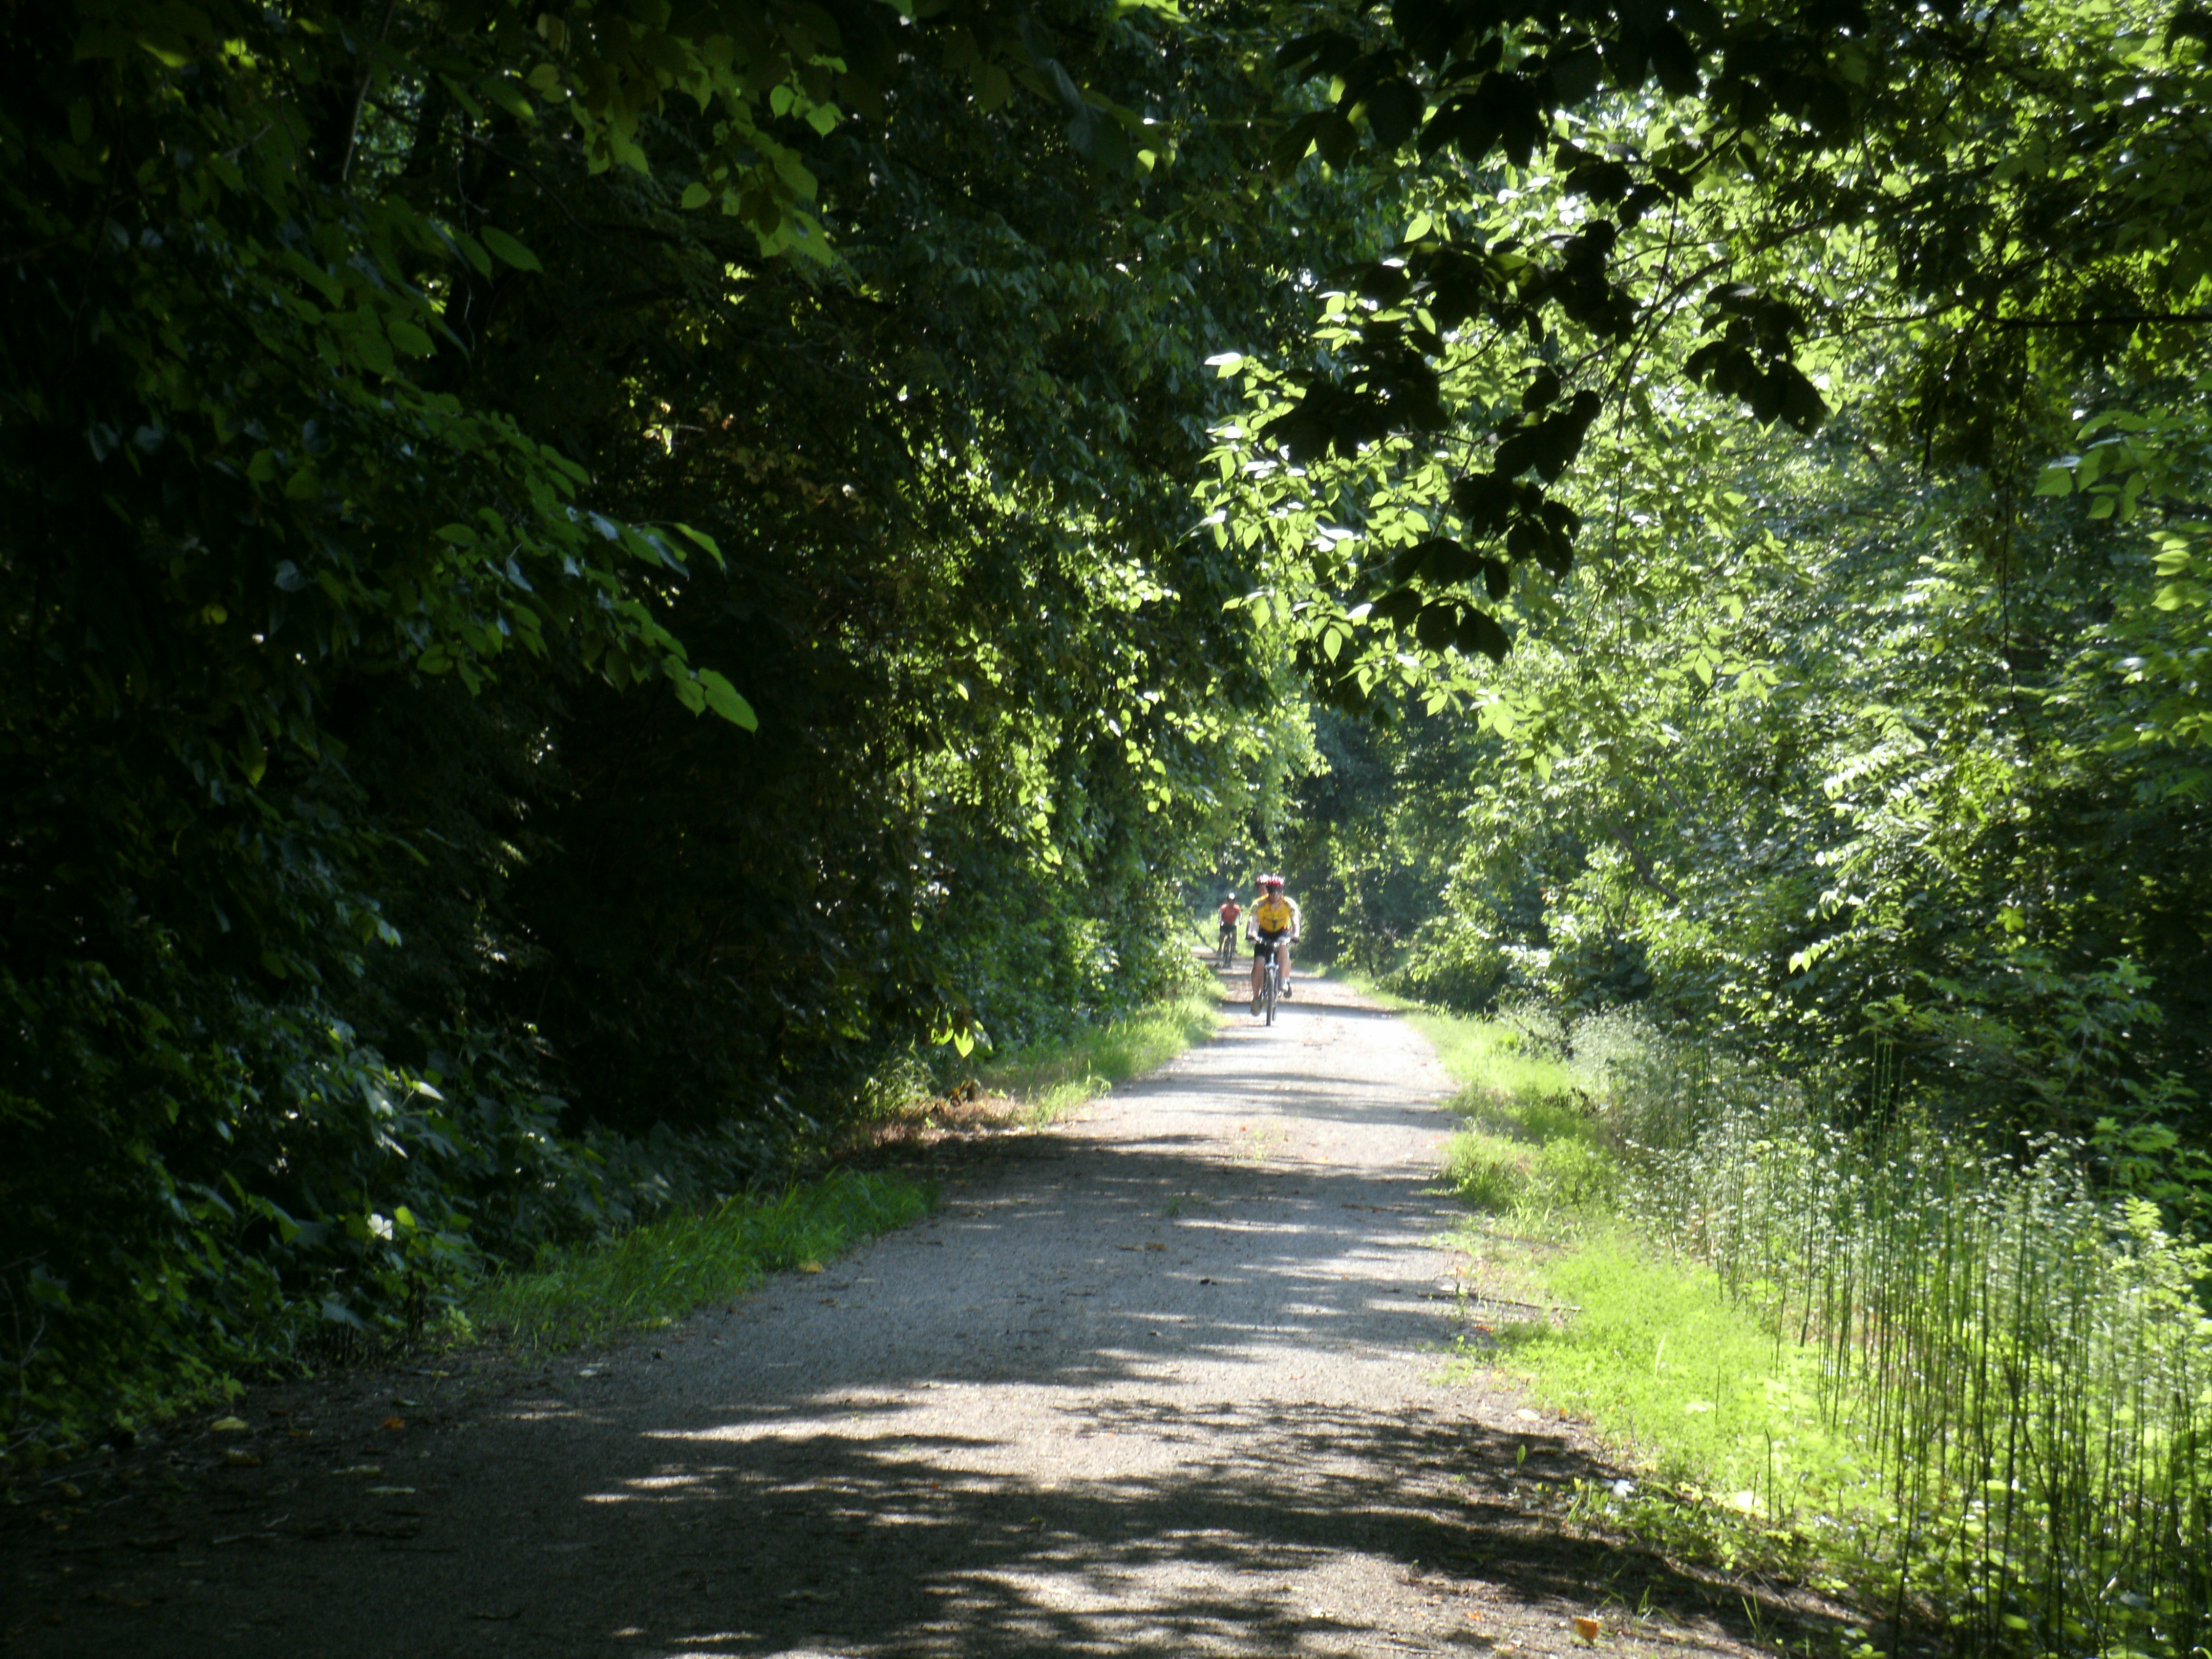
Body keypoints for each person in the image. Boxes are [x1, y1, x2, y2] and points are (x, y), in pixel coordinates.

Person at [1244, 874, 1301, 1012]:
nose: (1274, 895)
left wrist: (1296, 935)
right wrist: (1251, 933)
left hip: (1282, 932)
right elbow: (1252, 920)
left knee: (1283, 945)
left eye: (1278, 891)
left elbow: (1295, 922)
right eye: (1271, 891)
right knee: (1259, 964)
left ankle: (1283, 981)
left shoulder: (1289, 904)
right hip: (1264, 933)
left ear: (1282, 891)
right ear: (1268, 890)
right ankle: (1256, 998)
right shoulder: (1259, 904)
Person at [1216, 892, 1241, 963]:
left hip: (1232, 924)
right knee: (1222, 935)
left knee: (1235, 934)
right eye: (1230, 901)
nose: (1231, 903)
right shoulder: (1224, 907)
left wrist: (1240, 921)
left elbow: (1240, 914)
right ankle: (1220, 948)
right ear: (1228, 901)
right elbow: (1220, 914)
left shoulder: (1237, 908)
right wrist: (1220, 921)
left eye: (1233, 901)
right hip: (1225, 924)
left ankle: (1234, 948)